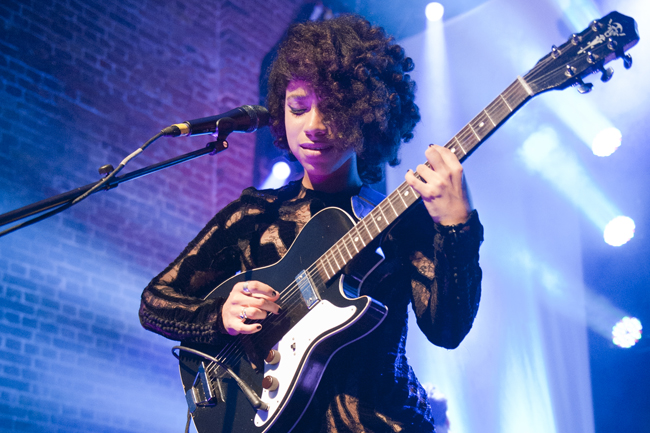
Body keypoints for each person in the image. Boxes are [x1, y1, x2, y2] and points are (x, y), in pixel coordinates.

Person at [139, 14, 483, 433]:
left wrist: (456, 226)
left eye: (334, 110)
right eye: (298, 107)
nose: (314, 126)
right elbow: (154, 301)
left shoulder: (400, 220)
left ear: (367, 115)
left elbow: (447, 330)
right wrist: (220, 315)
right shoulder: (253, 215)